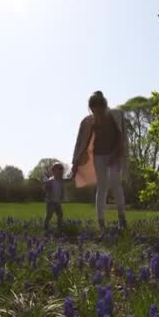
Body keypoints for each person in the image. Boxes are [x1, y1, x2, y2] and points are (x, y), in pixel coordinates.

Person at [71, 91, 129, 230]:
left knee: (115, 183)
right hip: (99, 155)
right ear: (91, 109)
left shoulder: (115, 116)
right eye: (93, 110)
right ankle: (101, 221)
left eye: (99, 109)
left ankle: (122, 217)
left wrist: (116, 154)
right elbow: (81, 142)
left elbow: (121, 138)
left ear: (104, 106)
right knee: (102, 186)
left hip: (115, 154)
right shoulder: (88, 121)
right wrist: (76, 162)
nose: (97, 113)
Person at [43, 163, 68, 230]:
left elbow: (62, 189)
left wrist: (62, 197)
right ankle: (45, 227)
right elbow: (45, 189)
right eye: (59, 169)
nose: (61, 171)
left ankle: (59, 227)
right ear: (53, 171)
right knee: (49, 215)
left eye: (61, 169)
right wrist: (46, 186)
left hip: (57, 202)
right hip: (50, 202)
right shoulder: (50, 181)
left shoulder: (61, 181)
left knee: (60, 215)